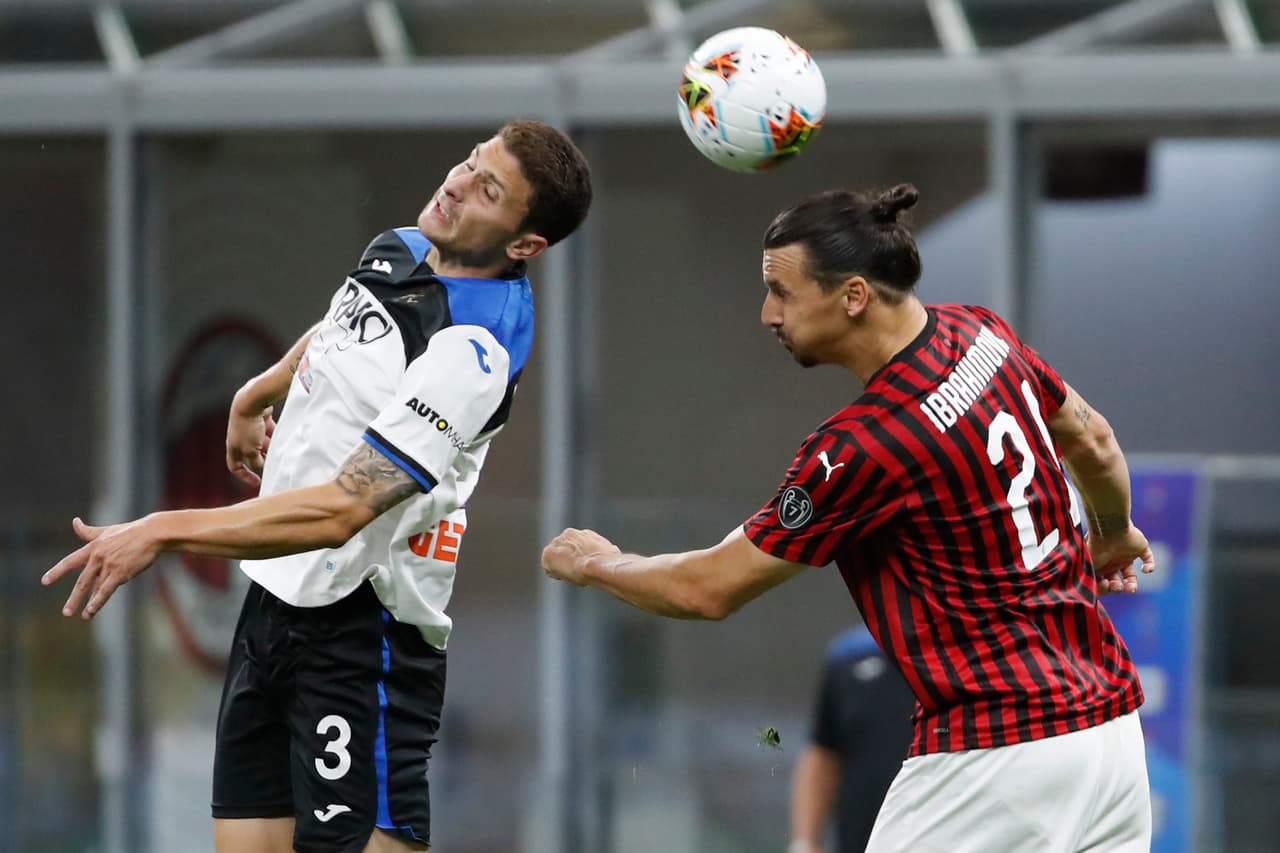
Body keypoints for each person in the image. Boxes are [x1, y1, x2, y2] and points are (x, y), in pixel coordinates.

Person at [542, 184, 1155, 852]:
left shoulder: (864, 447)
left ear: (854, 295)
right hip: (1111, 737)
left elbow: (708, 588)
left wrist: (596, 562)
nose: (767, 314)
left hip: (997, 756)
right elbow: (1094, 440)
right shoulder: (983, 332)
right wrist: (1114, 531)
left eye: (781, 291)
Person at [43, 120, 592, 853]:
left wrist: (162, 529)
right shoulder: (402, 247)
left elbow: (343, 511)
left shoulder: (472, 351)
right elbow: (347, 323)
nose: (457, 183)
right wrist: (262, 389)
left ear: (525, 245)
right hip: (274, 606)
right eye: (469, 162)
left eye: (488, 189)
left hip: (366, 634)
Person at [789, 625, 914, 853]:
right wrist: (805, 842)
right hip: (858, 842)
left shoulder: (967, 653)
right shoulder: (850, 656)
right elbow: (823, 752)